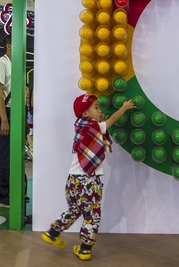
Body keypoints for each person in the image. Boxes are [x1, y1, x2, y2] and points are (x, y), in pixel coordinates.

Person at [42, 94, 135, 261]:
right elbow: (112, 120)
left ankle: (53, 232)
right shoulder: (95, 128)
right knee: (92, 215)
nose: (100, 110)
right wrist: (124, 108)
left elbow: (100, 126)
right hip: (89, 181)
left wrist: (99, 117)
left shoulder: (81, 127)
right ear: (85, 114)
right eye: (96, 107)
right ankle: (85, 249)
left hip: (73, 180)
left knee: (74, 210)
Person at [0, 35, 12, 208]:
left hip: (17, 111)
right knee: (5, 154)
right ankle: (2, 195)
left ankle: (13, 191)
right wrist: (4, 120)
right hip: (7, 111)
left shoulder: (16, 64)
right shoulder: (2, 63)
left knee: (15, 154)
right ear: (8, 45)